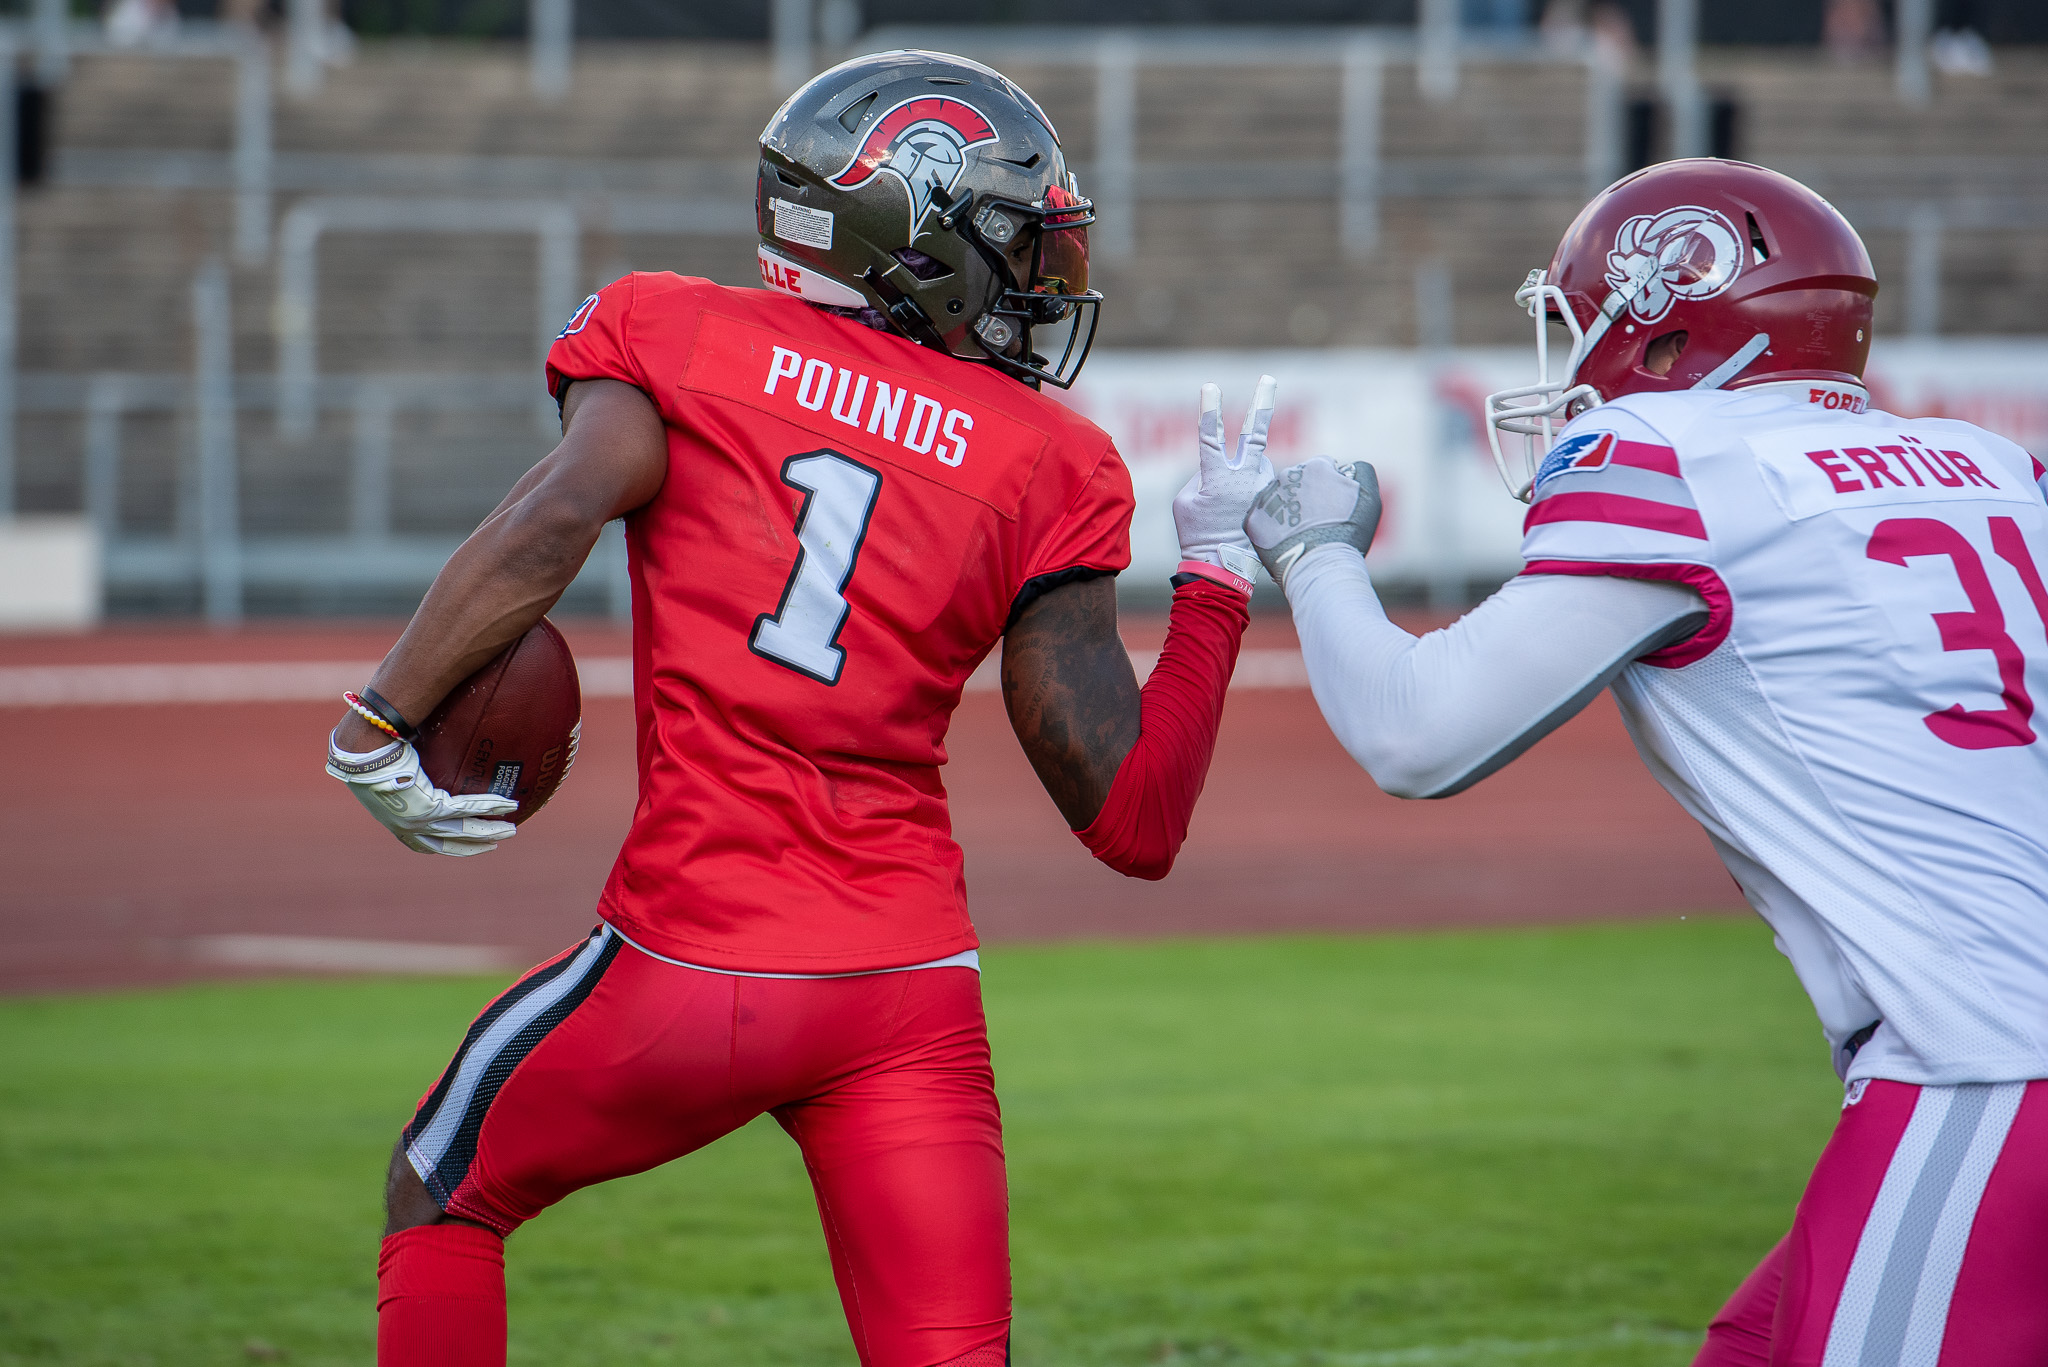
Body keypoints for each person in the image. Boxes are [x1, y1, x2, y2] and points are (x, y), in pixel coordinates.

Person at [324, 49, 1276, 1367]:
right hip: (907, 989)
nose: (1044, 285)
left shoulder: (677, 335)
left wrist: (384, 715)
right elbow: (1138, 819)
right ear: (910, 234)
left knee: (439, 1186)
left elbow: (553, 517)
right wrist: (1218, 577)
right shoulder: (1048, 458)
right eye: (1018, 247)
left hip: (693, 963)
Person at [1248, 158, 2048, 1365]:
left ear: (1666, 321)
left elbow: (1413, 734)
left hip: (1982, 1067)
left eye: (1579, 320)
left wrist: (1313, 551)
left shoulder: (1667, 453)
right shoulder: (1992, 467)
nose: (1566, 360)